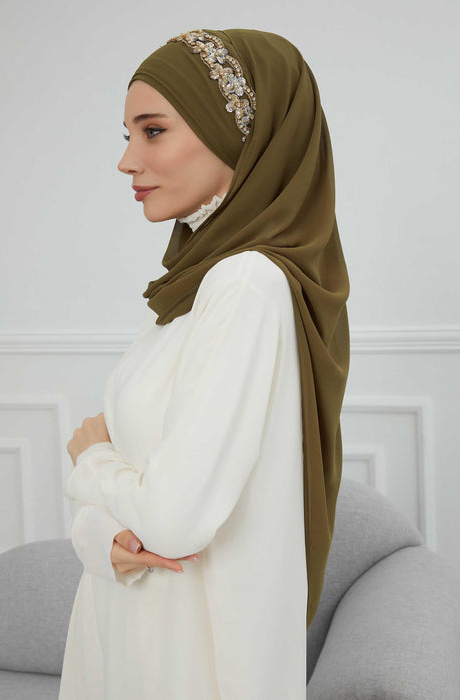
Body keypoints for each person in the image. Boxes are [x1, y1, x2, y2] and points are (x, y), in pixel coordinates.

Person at [58, 28, 350, 700]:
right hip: (135, 632)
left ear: (238, 137)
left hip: (186, 660)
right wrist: (96, 530)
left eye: (153, 131)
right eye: (127, 134)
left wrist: (91, 463)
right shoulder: (191, 291)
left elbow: (173, 518)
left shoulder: (246, 284)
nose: (126, 161)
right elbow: (144, 498)